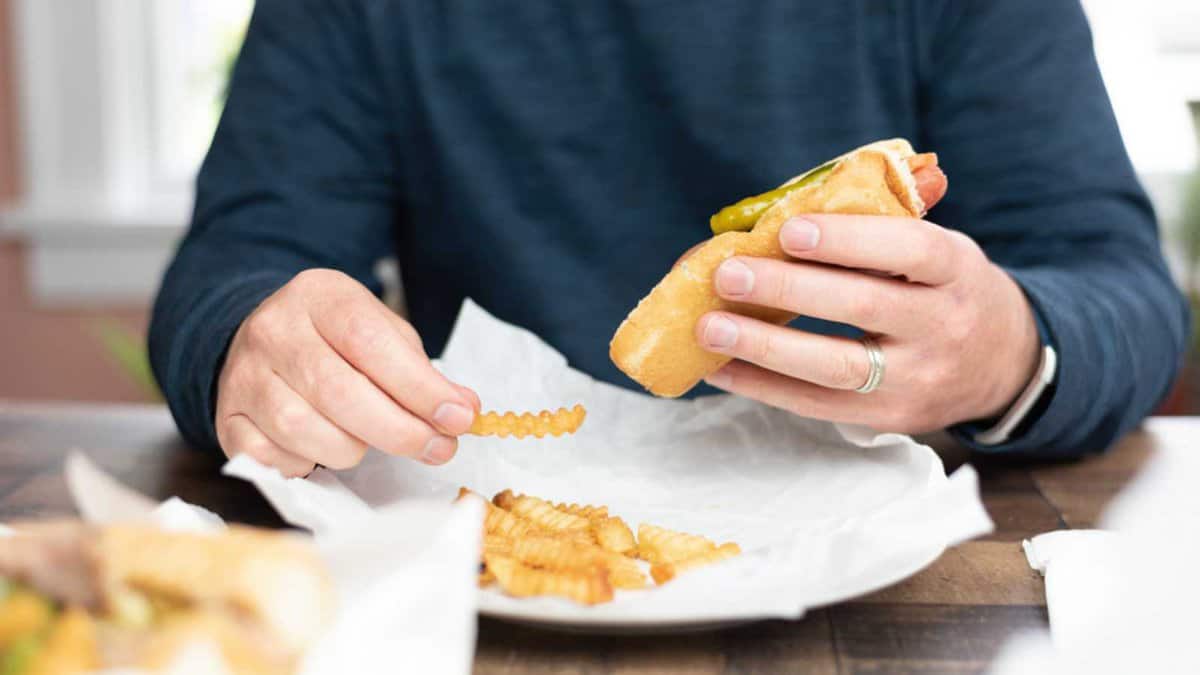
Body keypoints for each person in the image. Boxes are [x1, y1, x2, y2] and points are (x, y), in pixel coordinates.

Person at [150, 0, 1188, 477]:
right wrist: (252, 338)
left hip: (892, 561)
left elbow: (1120, 285)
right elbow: (235, 265)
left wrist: (1007, 350)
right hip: (479, 550)